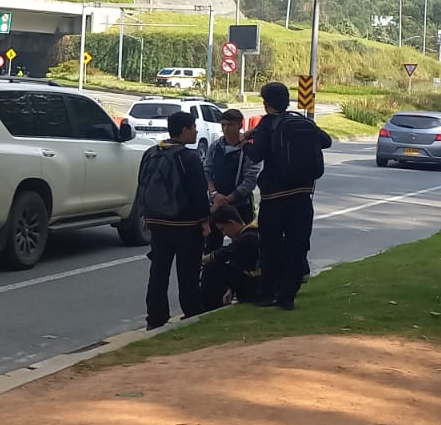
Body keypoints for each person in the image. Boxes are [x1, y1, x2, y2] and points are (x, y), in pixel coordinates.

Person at [243, 81, 332, 310]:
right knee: (297, 245)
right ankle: (288, 297)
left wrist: (245, 141)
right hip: (303, 195)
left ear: (265, 103)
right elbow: (326, 141)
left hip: (275, 198)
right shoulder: (303, 121)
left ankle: (267, 293)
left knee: (271, 247)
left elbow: (256, 154)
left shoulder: (268, 124)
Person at [137, 110, 211, 330]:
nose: (196, 131)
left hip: (158, 223)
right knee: (188, 271)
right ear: (185, 130)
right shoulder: (189, 157)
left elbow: (141, 184)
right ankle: (191, 311)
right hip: (186, 224)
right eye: (194, 127)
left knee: (159, 271)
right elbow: (198, 192)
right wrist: (204, 221)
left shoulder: (151, 152)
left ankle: (155, 317)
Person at [204, 107, 260, 253]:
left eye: (230, 125)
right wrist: (214, 194)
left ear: (240, 125)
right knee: (211, 244)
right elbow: (207, 171)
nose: (226, 129)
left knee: (245, 245)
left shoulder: (247, 149)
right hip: (216, 203)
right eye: (223, 125)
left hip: (240, 204)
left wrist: (228, 199)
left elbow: (250, 180)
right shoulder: (216, 146)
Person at [202, 204, 262, 308]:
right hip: (255, 279)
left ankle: (210, 306)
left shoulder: (247, 237)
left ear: (231, 223)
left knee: (211, 268)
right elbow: (238, 266)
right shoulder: (250, 234)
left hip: (257, 282)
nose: (224, 234)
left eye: (223, 229)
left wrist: (202, 260)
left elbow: (225, 253)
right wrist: (231, 290)